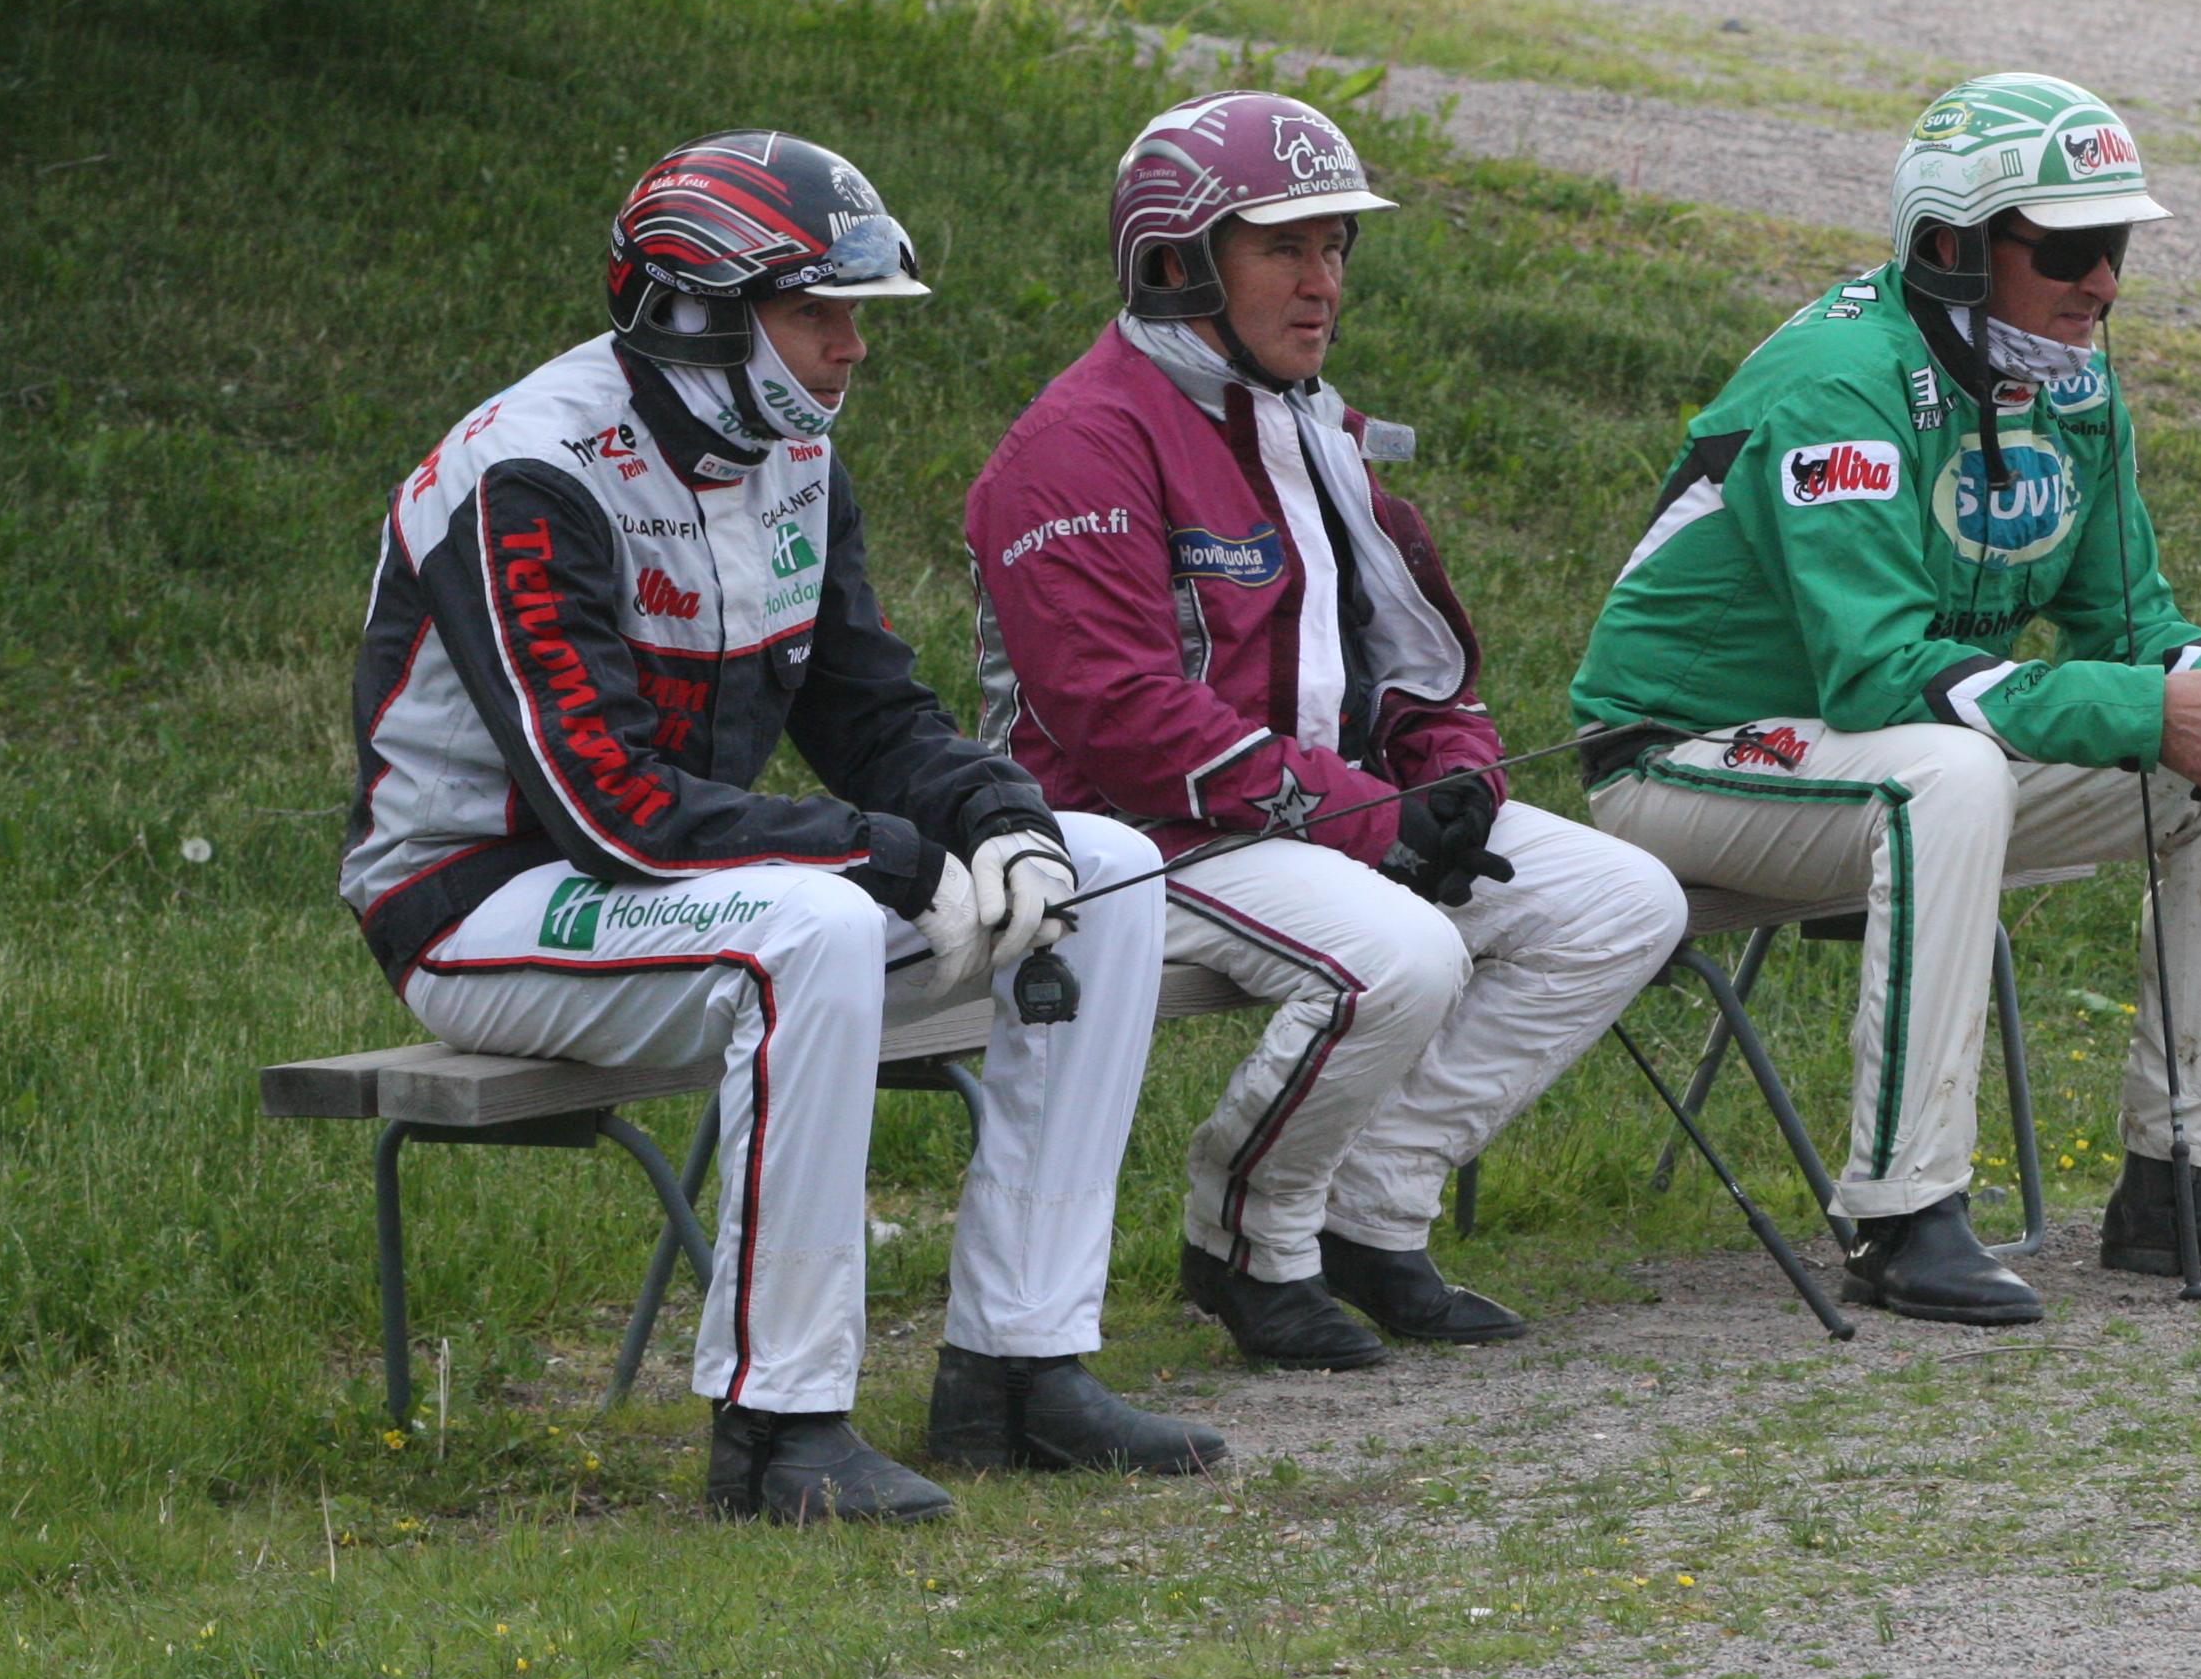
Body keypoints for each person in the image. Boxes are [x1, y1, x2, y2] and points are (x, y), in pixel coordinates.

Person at [342, 134, 1224, 1524]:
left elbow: (872, 707)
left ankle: (1018, 1368)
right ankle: (778, 1429)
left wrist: (1002, 821)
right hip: (483, 901)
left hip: (678, 888)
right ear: (699, 311)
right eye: (821, 311)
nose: (853, 347)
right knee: (804, 929)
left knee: (1101, 872)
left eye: (859, 314)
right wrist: (880, 855)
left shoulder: (792, 448)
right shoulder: (529, 471)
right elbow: (603, 807)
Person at [1566, 75, 2201, 1327]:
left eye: (2117, 247)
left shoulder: (2072, 381)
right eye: (2066, 248)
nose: (2102, 282)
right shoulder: (1841, 383)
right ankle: (1899, 1216)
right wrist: (2147, 707)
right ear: (1950, 248)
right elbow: (1880, 672)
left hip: (1861, 762)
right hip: (1678, 760)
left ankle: (2181, 1182)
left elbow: (2131, 623)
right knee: (1945, 773)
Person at [967, 93, 1685, 1371]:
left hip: (1304, 817)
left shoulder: (1313, 425)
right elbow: (1121, 720)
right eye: (1284, 248)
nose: (1322, 284)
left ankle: (1372, 1212)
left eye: (1338, 249)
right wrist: (1370, 818)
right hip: (1127, 838)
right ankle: (1248, 1240)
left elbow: (1416, 660)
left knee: (1623, 899)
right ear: (1176, 262)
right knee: (1400, 954)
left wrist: (1453, 783)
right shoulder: (1076, 446)